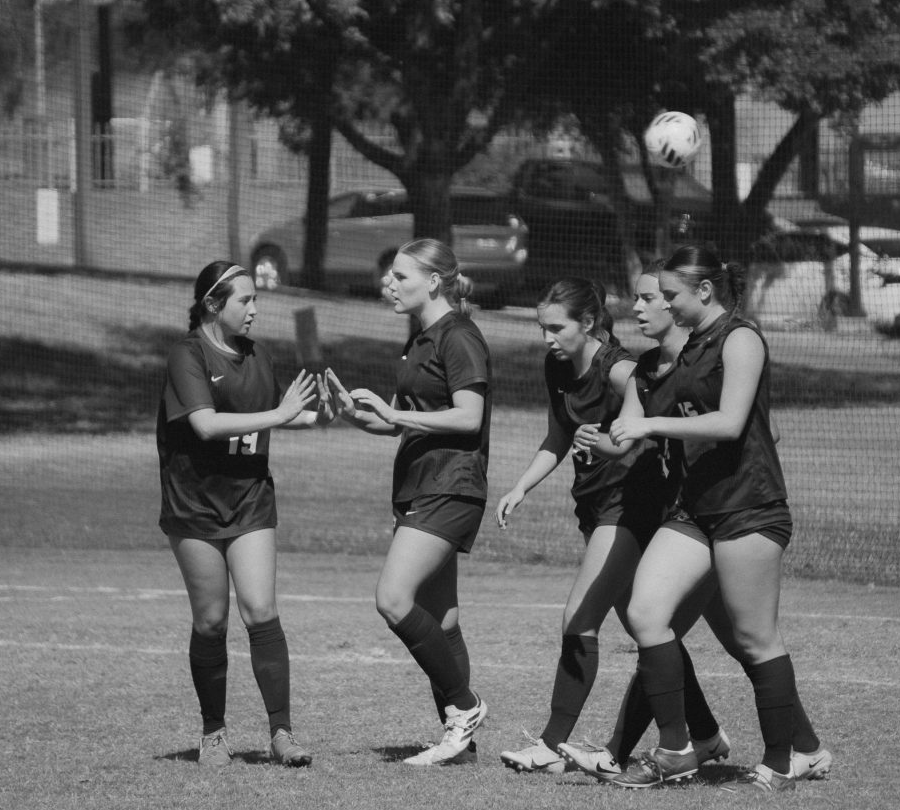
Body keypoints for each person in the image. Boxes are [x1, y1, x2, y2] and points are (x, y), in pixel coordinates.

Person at [606, 243, 832, 792]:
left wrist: (650, 428)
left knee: (754, 639)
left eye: (671, 294)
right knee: (646, 612)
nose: (661, 302)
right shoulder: (687, 351)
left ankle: (785, 760)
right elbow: (670, 410)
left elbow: (731, 423)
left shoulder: (742, 338)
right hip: (695, 510)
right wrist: (623, 430)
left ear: (703, 292)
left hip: (748, 507)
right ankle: (678, 748)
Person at [494, 276, 728, 777]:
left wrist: (617, 443)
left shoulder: (620, 370)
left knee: (579, 618)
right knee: (650, 631)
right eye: (542, 328)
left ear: (587, 323)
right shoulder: (556, 365)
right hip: (595, 504)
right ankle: (705, 735)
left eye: (557, 328)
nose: (547, 338)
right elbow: (559, 433)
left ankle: (552, 744)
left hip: (630, 507)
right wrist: (520, 487)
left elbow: (655, 418)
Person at [158, 261, 332, 768]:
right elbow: (207, 425)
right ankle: (214, 732)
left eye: (256, 300)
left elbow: (276, 416)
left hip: (250, 498)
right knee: (211, 621)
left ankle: (282, 733)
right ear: (214, 305)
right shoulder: (186, 355)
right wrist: (280, 414)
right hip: (194, 504)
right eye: (245, 301)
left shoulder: (260, 355)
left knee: (261, 611)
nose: (255, 310)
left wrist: (323, 413)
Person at [326, 238, 491, 766]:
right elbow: (401, 418)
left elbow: (469, 416)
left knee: (394, 599)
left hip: (451, 484)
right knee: (441, 621)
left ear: (434, 281)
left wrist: (396, 417)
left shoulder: (459, 336)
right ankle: (458, 743)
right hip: (421, 483)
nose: (387, 283)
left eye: (400, 276)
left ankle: (465, 707)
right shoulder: (420, 338)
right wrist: (355, 413)